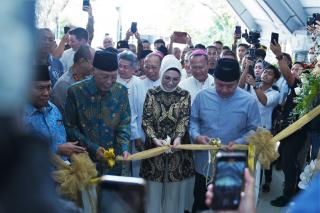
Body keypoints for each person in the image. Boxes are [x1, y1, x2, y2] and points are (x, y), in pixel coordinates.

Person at [190, 58, 261, 212]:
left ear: (238, 82)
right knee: (201, 203)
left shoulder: (249, 101)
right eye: (220, 84)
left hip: (232, 163)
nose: (224, 89)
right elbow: (193, 122)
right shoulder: (202, 97)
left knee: (227, 206)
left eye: (230, 86)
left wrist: (240, 141)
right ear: (214, 79)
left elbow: (254, 129)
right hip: (204, 164)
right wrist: (196, 136)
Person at [140, 55, 195, 213]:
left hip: (176, 149)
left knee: (173, 193)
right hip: (154, 148)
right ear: (162, 73)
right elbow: (146, 121)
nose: (171, 83)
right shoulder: (152, 93)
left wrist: (178, 138)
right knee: (153, 191)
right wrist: (155, 139)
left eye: (175, 79)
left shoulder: (184, 95)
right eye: (167, 78)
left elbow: (184, 120)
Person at [64, 51, 131, 175]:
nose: (109, 82)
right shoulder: (76, 92)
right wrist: (93, 148)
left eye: (114, 77)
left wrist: (124, 148)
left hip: (113, 161)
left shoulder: (121, 92)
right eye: (104, 76)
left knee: (111, 193)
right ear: (93, 71)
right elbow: (70, 126)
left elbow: (124, 123)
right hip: (84, 161)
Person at [270, 41, 308, 207]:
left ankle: (289, 195)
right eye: (293, 69)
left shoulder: (304, 87)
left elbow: (288, 76)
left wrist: (279, 56)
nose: (294, 72)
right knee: (287, 160)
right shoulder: (293, 90)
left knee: (289, 161)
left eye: (298, 69)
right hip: (286, 130)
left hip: (298, 131)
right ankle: (293, 191)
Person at [25, 65, 86, 158]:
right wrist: (57, 149)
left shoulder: (54, 110)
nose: (46, 93)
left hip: (65, 168)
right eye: (40, 88)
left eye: (49, 87)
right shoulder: (17, 117)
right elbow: (16, 153)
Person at [130, 52, 163, 177]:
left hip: (161, 139)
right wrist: (136, 136)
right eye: (147, 66)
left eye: (154, 67)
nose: (150, 70)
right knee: (138, 174)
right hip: (140, 137)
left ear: (161, 67)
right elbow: (132, 112)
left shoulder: (167, 83)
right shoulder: (137, 84)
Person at [52, 45, 93, 114]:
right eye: (93, 63)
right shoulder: (65, 84)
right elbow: (69, 116)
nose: (95, 66)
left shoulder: (88, 77)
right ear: (82, 61)